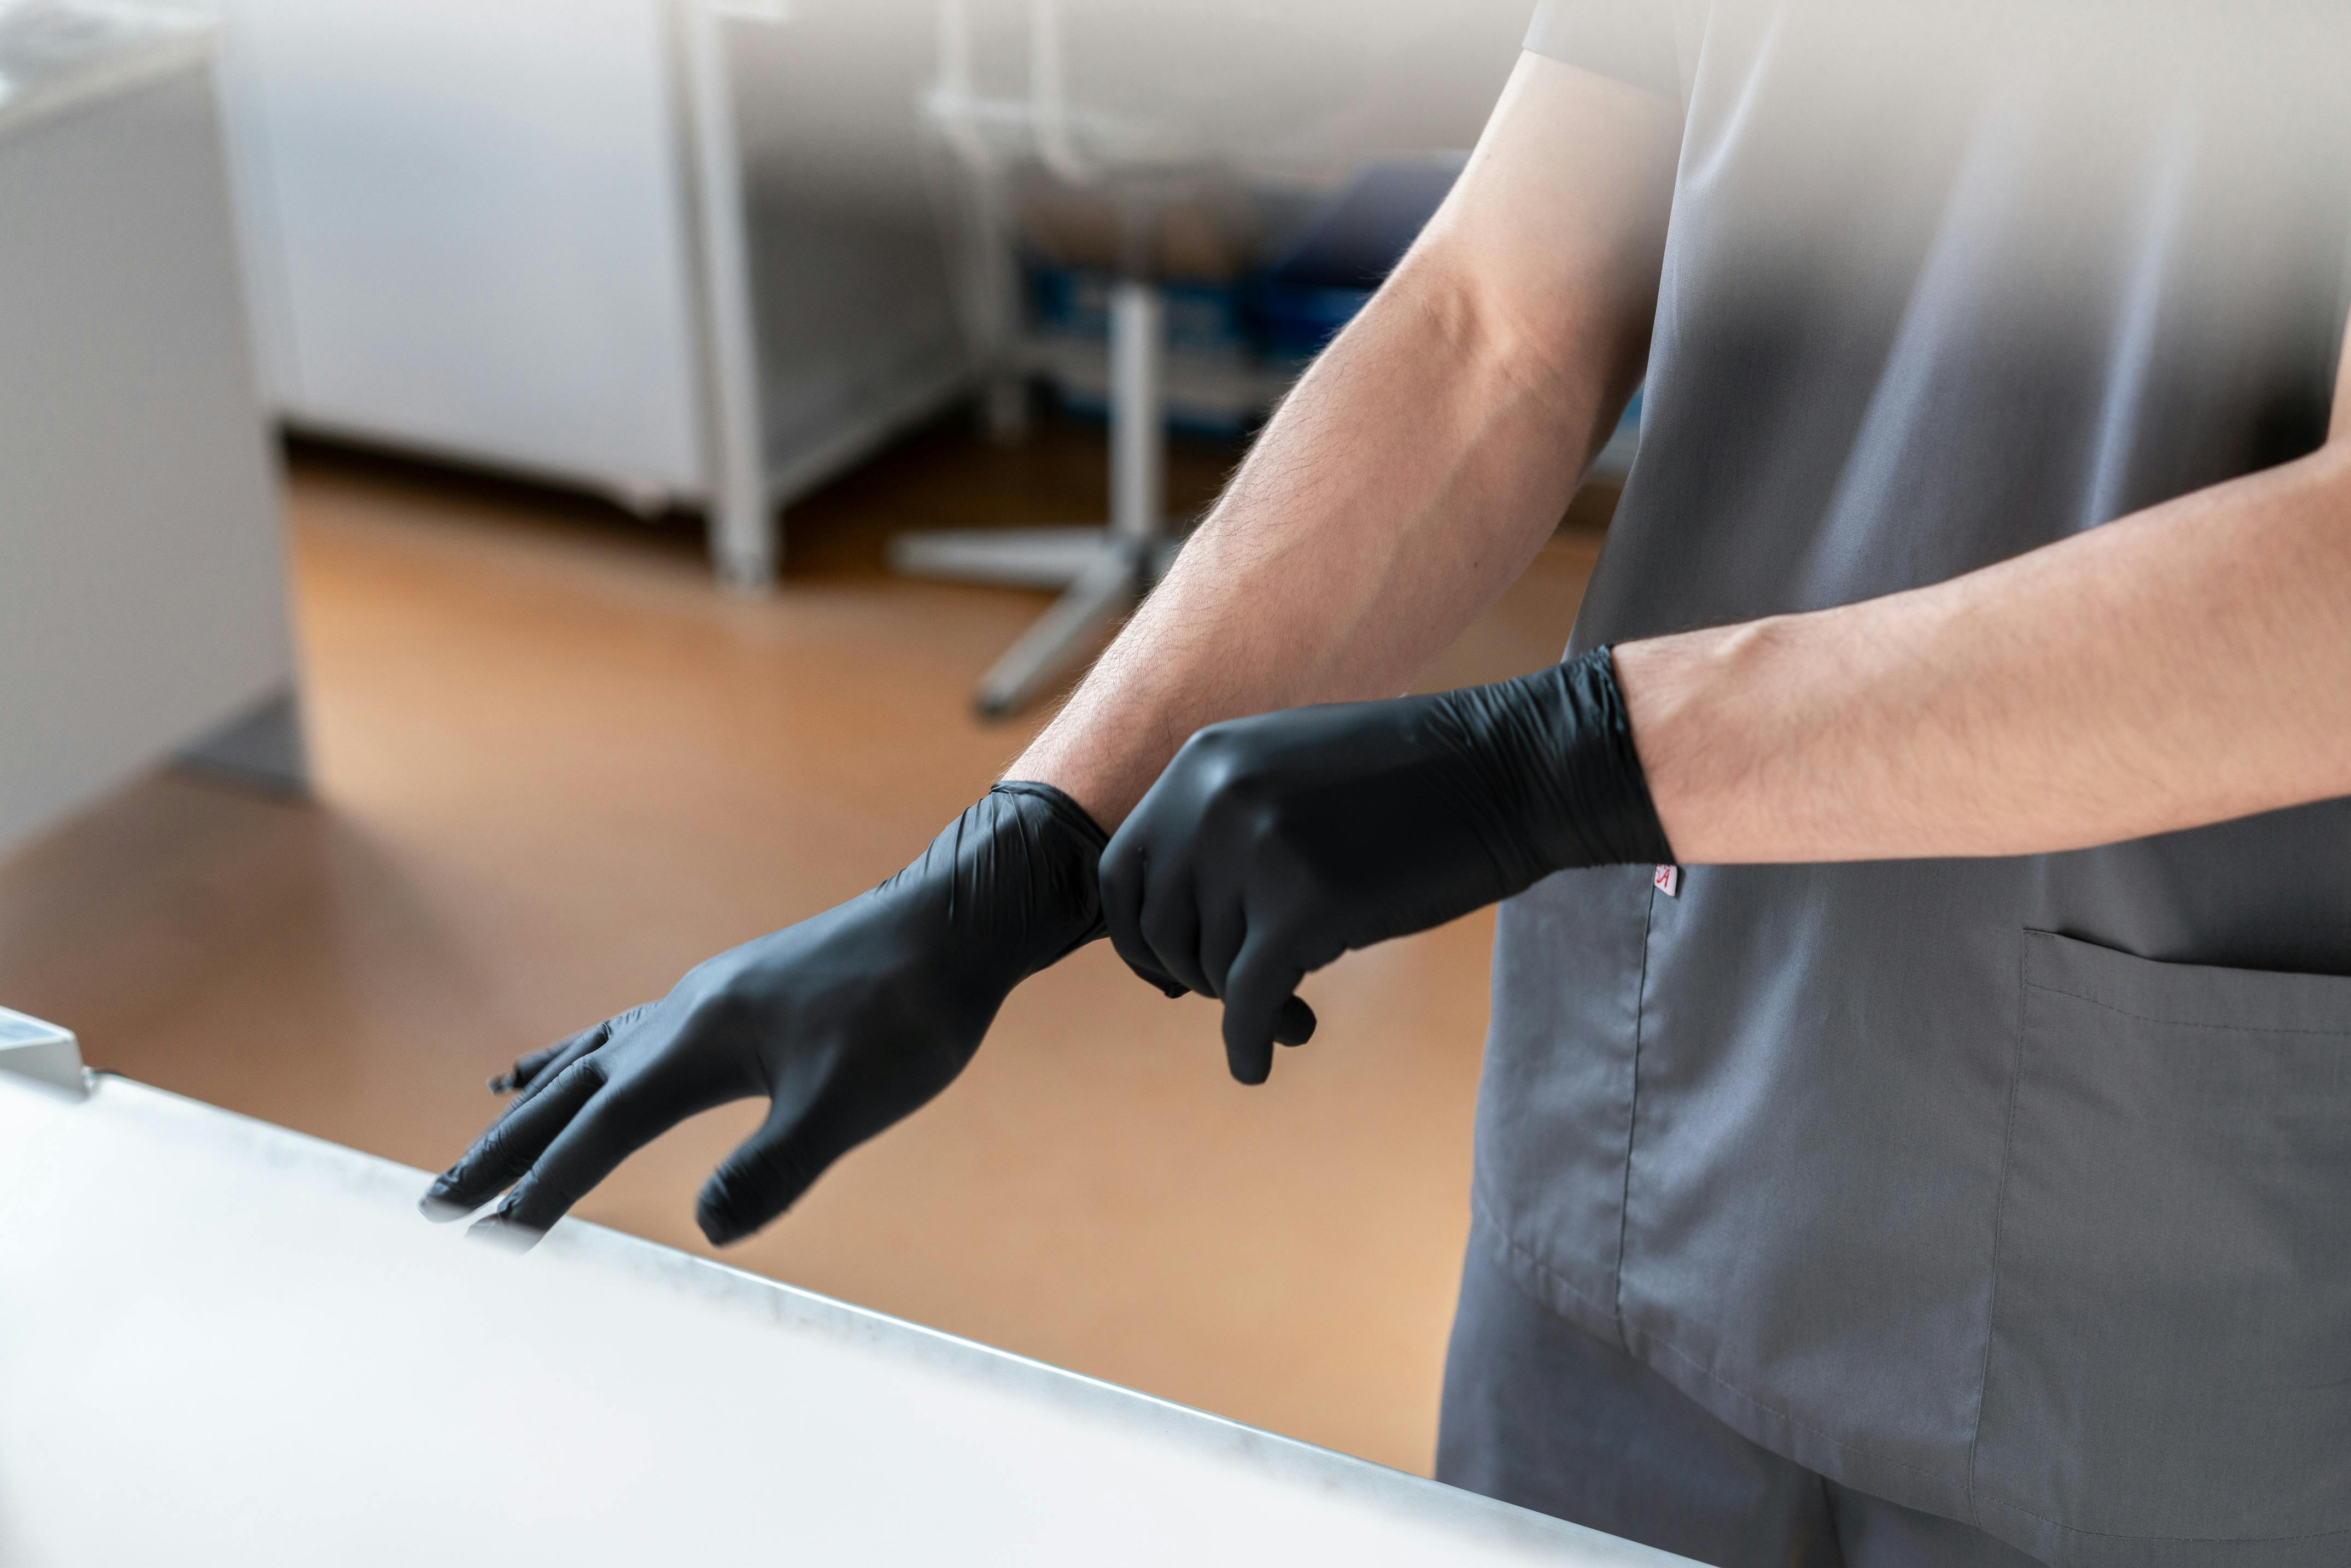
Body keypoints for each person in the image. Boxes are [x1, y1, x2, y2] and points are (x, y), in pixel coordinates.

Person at [420, 2, 2351, 1563]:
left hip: (2138, 1233)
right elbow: (1491, 324)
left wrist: (1551, 761)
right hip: (1650, 1124)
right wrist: (1022, 849)